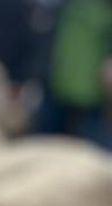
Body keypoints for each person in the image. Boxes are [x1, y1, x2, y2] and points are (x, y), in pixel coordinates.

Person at [38, 0, 112, 147]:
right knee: (47, 140)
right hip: (59, 82)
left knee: (94, 142)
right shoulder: (65, 8)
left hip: (90, 87)